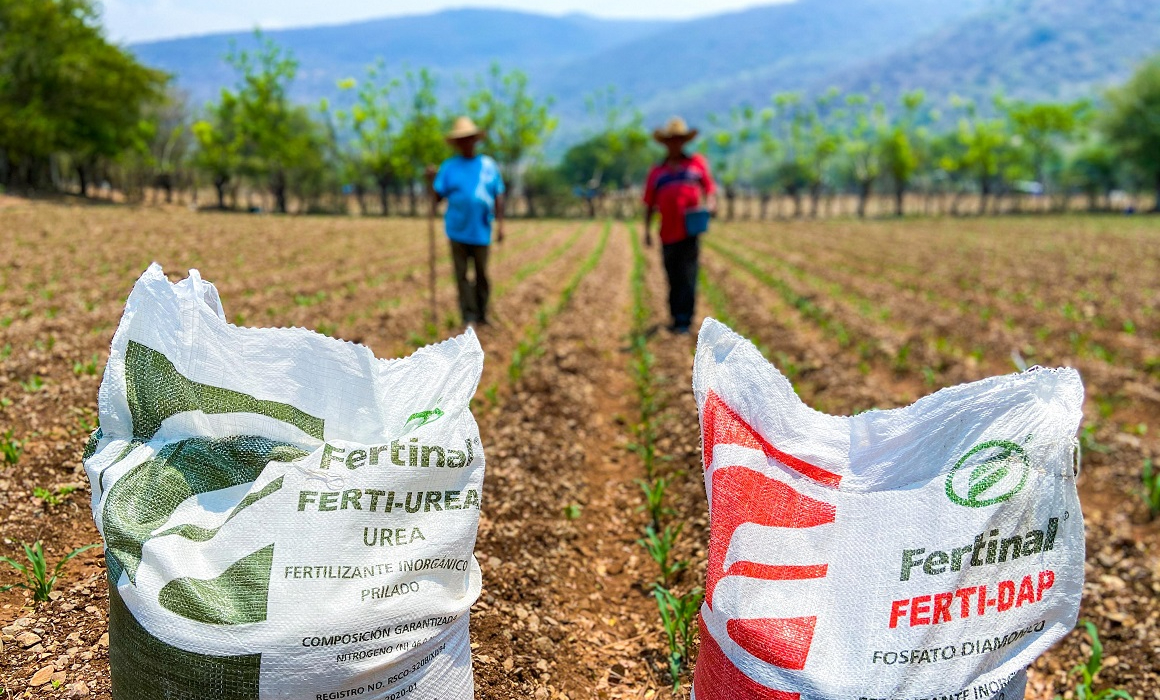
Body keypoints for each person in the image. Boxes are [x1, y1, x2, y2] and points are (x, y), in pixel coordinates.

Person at [427, 116, 506, 327]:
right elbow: (437, 197)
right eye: (462, 140)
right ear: (457, 144)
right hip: (457, 230)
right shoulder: (449, 167)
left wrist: (501, 225)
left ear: (475, 140)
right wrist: (430, 181)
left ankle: (482, 313)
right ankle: (468, 316)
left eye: (469, 138)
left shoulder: (488, 165)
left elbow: (498, 194)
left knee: (482, 275)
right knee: (461, 276)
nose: (466, 143)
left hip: (481, 229)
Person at [643, 116, 717, 335]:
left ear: (684, 142)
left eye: (679, 140)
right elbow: (648, 203)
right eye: (671, 140)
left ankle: (685, 319)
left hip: (690, 230)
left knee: (688, 275)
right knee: (672, 276)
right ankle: (676, 317)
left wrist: (711, 205)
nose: (675, 144)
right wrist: (646, 231)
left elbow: (709, 189)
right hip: (667, 233)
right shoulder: (658, 172)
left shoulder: (696, 164)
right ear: (665, 143)